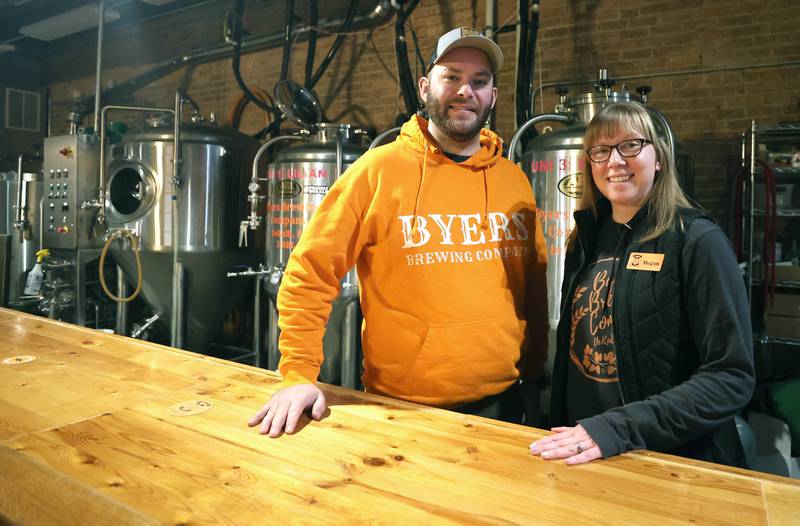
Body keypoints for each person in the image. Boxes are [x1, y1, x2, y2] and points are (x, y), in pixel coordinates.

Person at [248, 27, 549, 437]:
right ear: (426, 87)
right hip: (403, 411)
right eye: (452, 77)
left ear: (493, 96)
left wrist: (533, 376)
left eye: (479, 82)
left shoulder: (513, 179)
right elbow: (310, 271)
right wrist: (298, 374)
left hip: (504, 404)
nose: (466, 91)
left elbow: (533, 286)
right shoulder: (378, 171)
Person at [529, 101, 755, 467]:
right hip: (587, 454)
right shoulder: (585, 239)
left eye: (630, 145)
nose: (614, 161)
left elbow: (731, 377)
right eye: (601, 151)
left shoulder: (697, 241)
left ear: (660, 158)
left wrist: (617, 428)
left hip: (670, 463)